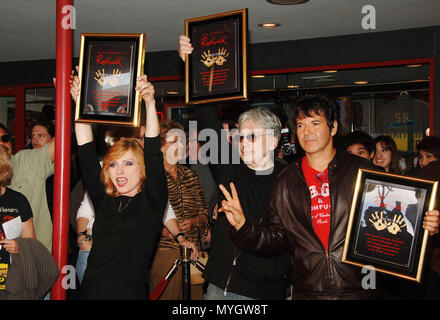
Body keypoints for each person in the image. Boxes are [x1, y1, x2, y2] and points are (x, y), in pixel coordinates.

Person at [220, 93, 440, 300]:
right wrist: (243, 227)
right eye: (300, 125)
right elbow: (277, 240)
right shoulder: (286, 180)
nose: (307, 132)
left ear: (333, 127)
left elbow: (393, 220)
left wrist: (424, 224)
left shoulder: (361, 171)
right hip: (308, 290)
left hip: (358, 288)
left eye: (315, 123)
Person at [178, 35, 291, 300]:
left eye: (252, 136)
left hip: (258, 291)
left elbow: (283, 241)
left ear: (273, 140)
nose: (243, 142)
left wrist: (243, 225)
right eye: (241, 136)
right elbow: (207, 120)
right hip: (217, 285)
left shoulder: (288, 179)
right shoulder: (231, 168)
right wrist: (192, 68)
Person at [71, 73, 169, 299]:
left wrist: (150, 102)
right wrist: (79, 103)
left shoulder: (151, 202)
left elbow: (153, 151)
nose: (119, 171)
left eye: (128, 163)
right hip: (92, 287)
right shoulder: (104, 200)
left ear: (142, 168)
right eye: (113, 164)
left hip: (129, 291)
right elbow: (85, 150)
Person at [149, 119, 208, 300]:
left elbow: (205, 213)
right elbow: (144, 215)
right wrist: (165, 232)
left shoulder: (190, 175)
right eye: (175, 141)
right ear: (161, 147)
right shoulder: (151, 178)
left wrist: (196, 221)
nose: (181, 146)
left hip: (193, 253)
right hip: (164, 252)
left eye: (183, 141)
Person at [0, 123, 55, 252]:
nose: (2, 143)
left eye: (5, 139)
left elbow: (61, 142)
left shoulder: (28, 160)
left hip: (30, 260)